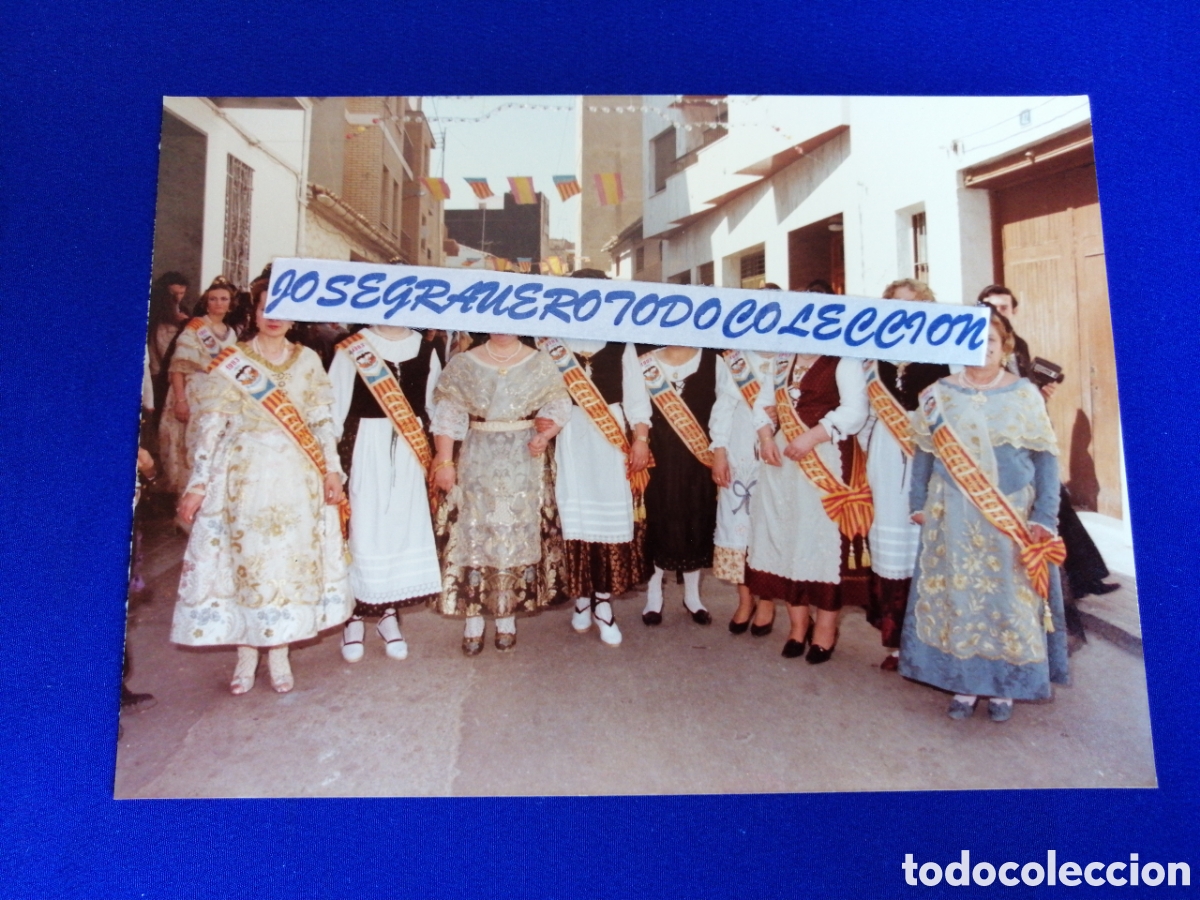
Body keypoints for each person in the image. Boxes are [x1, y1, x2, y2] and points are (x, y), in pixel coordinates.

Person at [171, 285, 353, 694]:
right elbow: (212, 425)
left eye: (283, 309)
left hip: (297, 474)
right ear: (253, 313)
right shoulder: (233, 360)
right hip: (244, 473)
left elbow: (323, 421)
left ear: (294, 318)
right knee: (247, 562)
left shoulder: (308, 360)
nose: (273, 315)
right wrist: (198, 484)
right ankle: (247, 652)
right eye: (265, 307)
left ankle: (280, 652)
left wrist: (332, 471)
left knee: (286, 562)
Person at [900, 309, 1068, 722]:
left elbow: (1045, 459)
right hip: (951, 513)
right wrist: (917, 505)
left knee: (1008, 600)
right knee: (958, 597)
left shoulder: (1025, 393)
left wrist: (1045, 516)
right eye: (971, 343)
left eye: (990, 343)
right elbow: (924, 451)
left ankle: (1005, 687)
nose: (981, 351)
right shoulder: (937, 394)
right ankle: (963, 683)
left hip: (1009, 514)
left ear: (1005, 347)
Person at [977, 285, 1118, 617]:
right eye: (990, 306)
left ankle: (1084, 577)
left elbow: (1025, 389)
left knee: (1055, 505)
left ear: (1013, 312)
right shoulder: (974, 345)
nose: (998, 312)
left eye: (1004, 307)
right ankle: (1075, 581)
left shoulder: (1019, 346)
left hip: (1027, 435)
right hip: (995, 444)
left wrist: (1042, 393)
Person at [429, 333, 572, 654]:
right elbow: (448, 413)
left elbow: (558, 402)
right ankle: (473, 616)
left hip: (525, 457)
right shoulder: (464, 362)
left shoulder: (539, 360)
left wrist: (546, 434)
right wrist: (445, 461)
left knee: (515, 532)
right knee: (476, 533)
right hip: (478, 455)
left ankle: (507, 614)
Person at [330, 324, 443, 662]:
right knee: (362, 530)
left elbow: (434, 407)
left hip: (410, 452)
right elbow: (333, 409)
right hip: (363, 446)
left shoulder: (426, 349)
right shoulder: (352, 347)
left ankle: (388, 616)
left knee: (399, 530)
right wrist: (330, 465)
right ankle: (353, 618)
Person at [746, 352, 870, 662]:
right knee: (788, 539)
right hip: (784, 460)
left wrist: (811, 437)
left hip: (826, 456)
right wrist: (765, 438)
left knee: (820, 543)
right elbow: (763, 403)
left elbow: (854, 411)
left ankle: (825, 630)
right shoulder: (782, 359)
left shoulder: (845, 360)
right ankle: (798, 627)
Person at [540, 331, 652, 647]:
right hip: (569, 434)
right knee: (575, 520)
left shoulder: (621, 343)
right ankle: (581, 599)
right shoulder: (555, 345)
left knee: (607, 520)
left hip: (610, 436)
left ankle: (603, 603)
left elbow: (636, 397)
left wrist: (640, 439)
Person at [862, 280, 949, 669]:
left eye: (912, 304)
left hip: (929, 449)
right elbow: (865, 413)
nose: (903, 310)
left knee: (927, 538)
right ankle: (897, 641)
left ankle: (933, 640)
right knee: (891, 539)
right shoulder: (872, 353)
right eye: (895, 304)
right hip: (885, 450)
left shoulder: (942, 350)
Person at [636, 344, 722, 626]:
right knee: (658, 521)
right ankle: (653, 596)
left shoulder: (714, 361)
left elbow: (723, 409)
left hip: (698, 458)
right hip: (656, 458)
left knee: (695, 521)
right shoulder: (643, 361)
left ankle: (693, 597)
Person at [711, 347, 775, 635]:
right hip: (740, 448)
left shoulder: (795, 355)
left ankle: (768, 601)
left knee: (771, 526)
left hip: (779, 448)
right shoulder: (736, 357)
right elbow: (723, 407)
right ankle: (745, 599)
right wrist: (720, 452)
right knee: (739, 525)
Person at [161, 276, 238, 495]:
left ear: (230, 304)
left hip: (218, 399)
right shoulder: (195, 328)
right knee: (192, 447)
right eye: (213, 299)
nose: (219, 303)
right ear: (206, 302)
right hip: (193, 396)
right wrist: (180, 401)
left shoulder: (231, 333)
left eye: (224, 299)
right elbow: (178, 367)